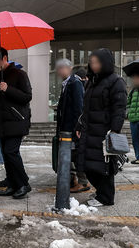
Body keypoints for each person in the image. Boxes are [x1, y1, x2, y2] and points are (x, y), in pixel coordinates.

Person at [75, 48, 127, 207]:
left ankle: (106, 197)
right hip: (89, 129)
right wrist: (79, 124)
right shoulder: (91, 81)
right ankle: (101, 191)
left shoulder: (116, 81)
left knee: (104, 165)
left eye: (97, 62)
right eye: (92, 62)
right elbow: (86, 107)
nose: (94, 65)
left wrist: (114, 130)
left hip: (105, 131)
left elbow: (119, 108)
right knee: (88, 165)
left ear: (106, 63)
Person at [0, 47, 33, 199]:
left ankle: (23, 184)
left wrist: (8, 89)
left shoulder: (19, 74)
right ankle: (13, 184)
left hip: (17, 121)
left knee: (10, 152)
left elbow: (27, 97)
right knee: (6, 155)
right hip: (2, 124)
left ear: (5, 58)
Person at [54, 58, 89, 193]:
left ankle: (83, 182)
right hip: (67, 128)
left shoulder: (75, 83)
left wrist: (78, 127)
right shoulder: (67, 83)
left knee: (75, 155)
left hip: (73, 128)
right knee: (70, 155)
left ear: (68, 68)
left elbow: (79, 107)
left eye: (61, 68)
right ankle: (73, 179)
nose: (59, 71)